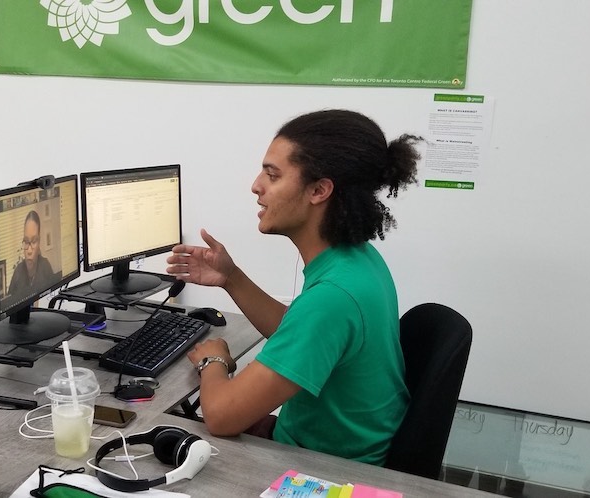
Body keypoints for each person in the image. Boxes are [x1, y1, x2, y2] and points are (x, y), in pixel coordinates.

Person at [167, 109, 422, 465]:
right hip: (331, 447)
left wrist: (214, 361)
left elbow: (222, 417)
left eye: (272, 175)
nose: (256, 186)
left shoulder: (333, 297)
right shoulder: (356, 260)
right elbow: (304, 333)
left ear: (319, 190)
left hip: (325, 469)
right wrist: (231, 277)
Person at [7, 210, 59, 303]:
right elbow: (9, 304)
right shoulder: (18, 271)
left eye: (34, 241)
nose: (29, 251)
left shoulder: (45, 266)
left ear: (39, 242)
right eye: (26, 242)